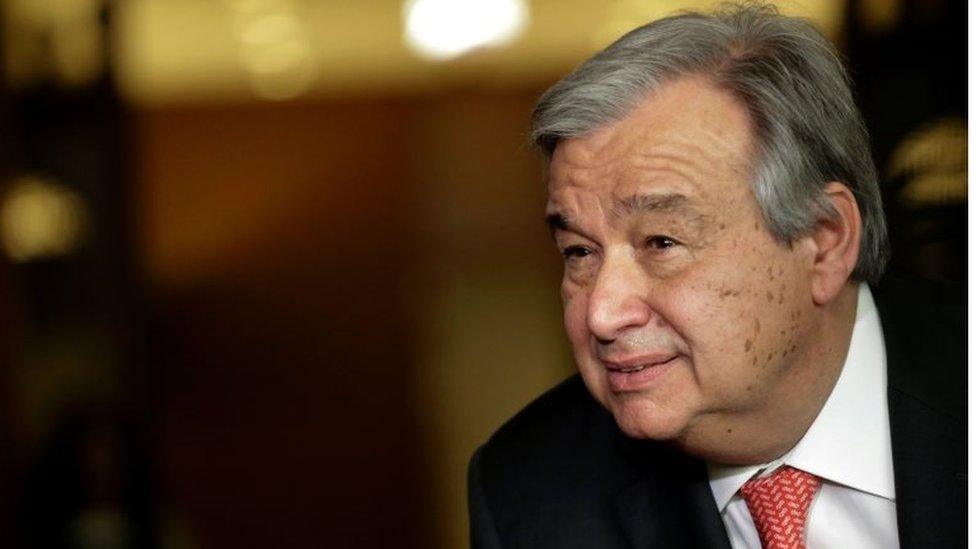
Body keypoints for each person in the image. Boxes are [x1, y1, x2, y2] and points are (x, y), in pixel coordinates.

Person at [467, 3, 965, 548]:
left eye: (661, 242)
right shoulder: (535, 494)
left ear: (824, 241)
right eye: (580, 252)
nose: (601, 313)